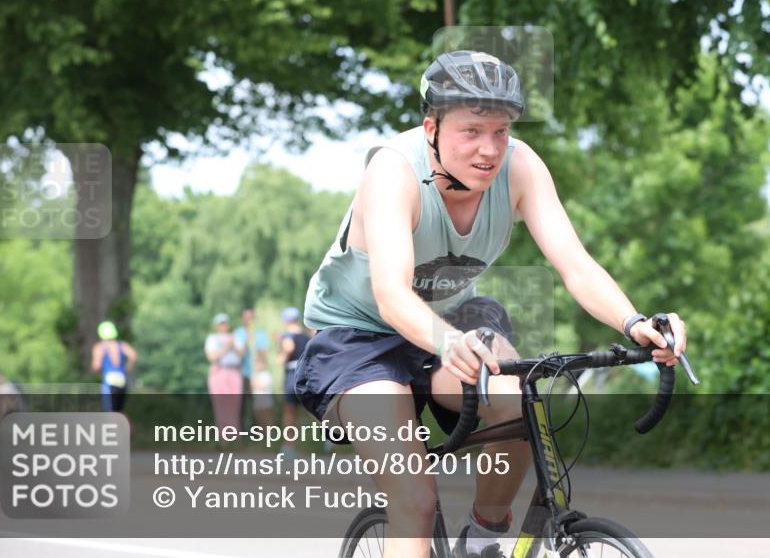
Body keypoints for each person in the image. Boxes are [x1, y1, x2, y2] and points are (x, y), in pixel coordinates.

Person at [294, 50, 688, 558]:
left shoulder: (520, 166)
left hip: (453, 321)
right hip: (358, 337)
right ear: (431, 126)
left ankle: (483, 538)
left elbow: (575, 264)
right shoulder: (392, 172)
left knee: (518, 396)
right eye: (472, 131)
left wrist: (633, 322)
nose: (490, 149)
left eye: (501, 131)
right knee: (413, 501)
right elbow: (391, 294)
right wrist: (447, 342)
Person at [278, 306, 313, 459]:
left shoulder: (288, 336)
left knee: (290, 411)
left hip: (292, 374)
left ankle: (289, 446)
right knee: (311, 409)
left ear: (286, 321)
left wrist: (279, 357)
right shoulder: (307, 336)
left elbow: (288, 349)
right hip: (307, 374)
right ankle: (331, 436)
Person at [205, 313, 244, 433]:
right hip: (219, 371)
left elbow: (242, 354)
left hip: (234, 372)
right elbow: (212, 357)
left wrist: (233, 345)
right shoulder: (212, 338)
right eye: (221, 324)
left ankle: (234, 435)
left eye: (225, 323)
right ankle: (223, 436)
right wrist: (227, 346)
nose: (223, 326)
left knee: (235, 405)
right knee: (221, 404)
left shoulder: (235, 337)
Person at [235, 307, 271, 429]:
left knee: (260, 405)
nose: (249, 320)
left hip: (258, 374)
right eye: (247, 318)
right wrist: (247, 339)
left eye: (251, 318)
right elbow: (240, 354)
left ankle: (260, 432)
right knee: (241, 405)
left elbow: (265, 356)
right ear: (243, 319)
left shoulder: (261, 335)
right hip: (244, 374)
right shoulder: (239, 333)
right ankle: (240, 433)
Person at [91, 321, 137, 413]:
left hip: (109, 381)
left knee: (109, 411)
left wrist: (96, 373)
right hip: (122, 380)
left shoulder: (100, 347)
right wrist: (127, 369)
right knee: (119, 411)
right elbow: (133, 355)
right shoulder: (121, 345)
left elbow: (96, 366)